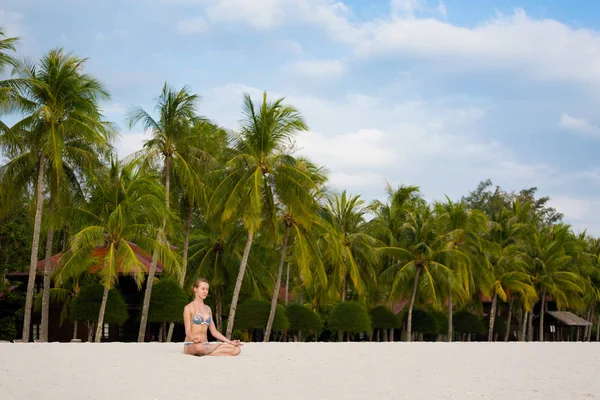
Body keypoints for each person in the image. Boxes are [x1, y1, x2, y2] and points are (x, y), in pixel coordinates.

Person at [183, 278, 242, 356]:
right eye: (203, 289)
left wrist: (229, 342)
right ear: (195, 289)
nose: (205, 292)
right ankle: (215, 347)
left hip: (205, 344)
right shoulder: (188, 308)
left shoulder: (208, 309)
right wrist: (193, 338)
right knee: (199, 347)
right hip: (192, 344)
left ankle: (208, 351)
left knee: (236, 349)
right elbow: (188, 331)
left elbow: (214, 331)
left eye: (207, 289)